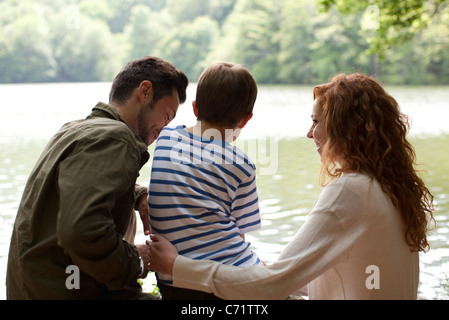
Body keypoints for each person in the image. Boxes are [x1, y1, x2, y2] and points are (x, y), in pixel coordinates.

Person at [148, 72, 435, 300]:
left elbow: (271, 287)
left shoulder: (352, 191)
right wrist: (271, 271)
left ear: (343, 129)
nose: (309, 134)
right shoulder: (387, 188)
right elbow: (356, 280)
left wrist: (178, 267)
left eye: (316, 122)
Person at [6, 56, 188, 300]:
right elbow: (81, 232)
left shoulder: (76, 130)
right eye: (166, 117)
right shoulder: (116, 138)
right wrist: (138, 261)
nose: (163, 130)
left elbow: (81, 182)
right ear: (144, 92)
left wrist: (137, 194)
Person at [147, 62, 262, 299]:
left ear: (195, 108)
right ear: (246, 119)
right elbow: (240, 234)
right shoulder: (241, 164)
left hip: (170, 281)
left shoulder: (165, 139)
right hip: (224, 283)